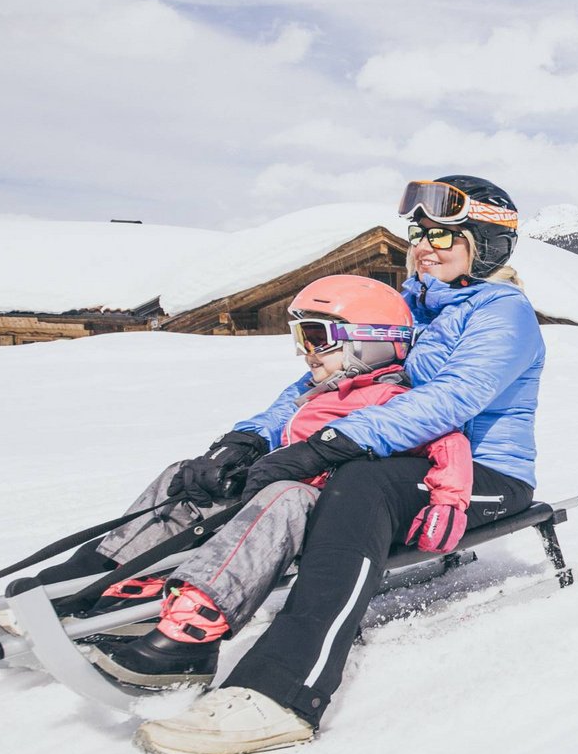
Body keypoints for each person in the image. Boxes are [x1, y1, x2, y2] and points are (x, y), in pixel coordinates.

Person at [131, 175, 544, 754]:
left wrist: (330, 445)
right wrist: (249, 440)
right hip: (395, 459)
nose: (424, 246)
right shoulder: (408, 306)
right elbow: (321, 383)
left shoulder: (504, 315)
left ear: (484, 244)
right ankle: (108, 599)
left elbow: (453, 398)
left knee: (360, 485)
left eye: (445, 236)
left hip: (478, 476)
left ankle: (282, 691)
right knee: (224, 477)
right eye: (418, 233)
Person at [75, 276, 477, 690]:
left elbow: (449, 445)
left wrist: (448, 505)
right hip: (272, 495)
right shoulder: (315, 394)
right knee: (186, 476)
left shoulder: (391, 398)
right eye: (301, 338)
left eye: (317, 337)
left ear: (370, 341)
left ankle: (195, 633)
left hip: (324, 510)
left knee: (284, 496)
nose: (306, 352)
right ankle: (124, 582)